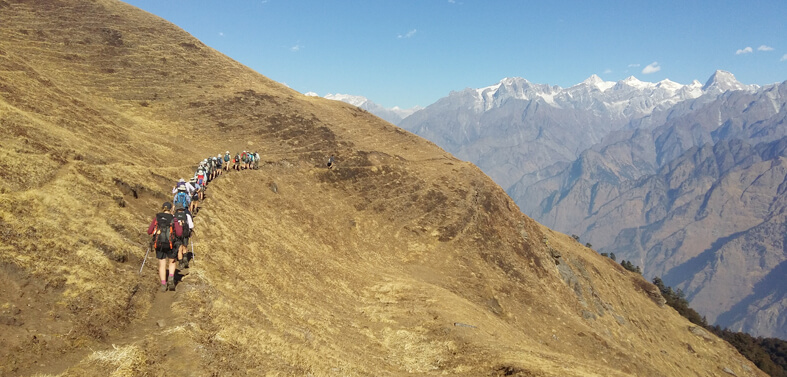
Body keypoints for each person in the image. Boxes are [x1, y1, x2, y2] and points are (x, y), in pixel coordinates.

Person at [147, 202, 183, 292]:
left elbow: (149, 231)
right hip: (171, 244)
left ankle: (163, 284)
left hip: (159, 244)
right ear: (171, 209)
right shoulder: (173, 219)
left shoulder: (157, 218)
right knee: (172, 262)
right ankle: (171, 277)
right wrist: (180, 226)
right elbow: (179, 233)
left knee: (162, 264)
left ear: (162, 208)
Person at [172, 203, 194, 271]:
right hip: (185, 233)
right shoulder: (187, 215)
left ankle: (180, 263)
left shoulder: (174, 216)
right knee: (184, 246)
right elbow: (191, 226)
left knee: (179, 249)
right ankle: (185, 258)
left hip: (177, 234)